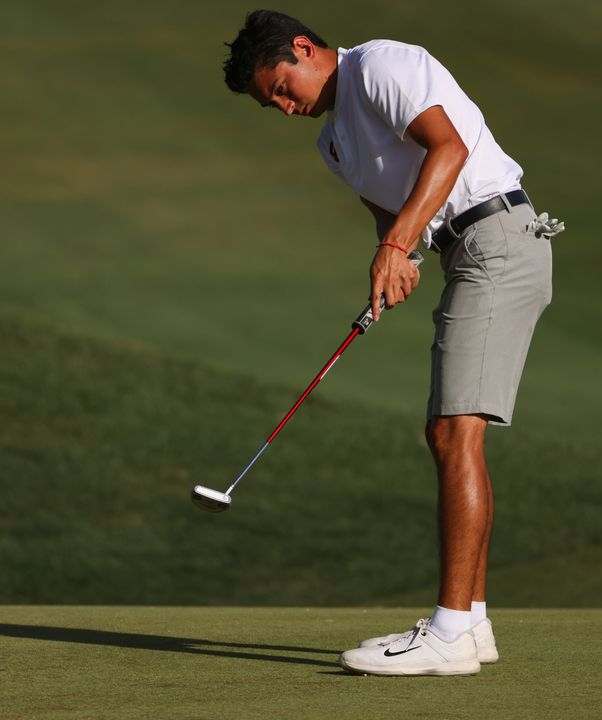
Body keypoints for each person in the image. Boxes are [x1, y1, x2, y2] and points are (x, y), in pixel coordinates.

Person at [222, 10, 562, 676]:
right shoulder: (333, 145)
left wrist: (396, 246)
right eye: (274, 107)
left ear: (304, 48)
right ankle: (474, 623)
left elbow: (450, 148)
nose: (287, 110)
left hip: (498, 238)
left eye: (283, 89)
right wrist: (395, 262)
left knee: (453, 432)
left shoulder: (381, 65)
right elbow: (395, 215)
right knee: (452, 433)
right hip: (464, 252)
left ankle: (451, 632)